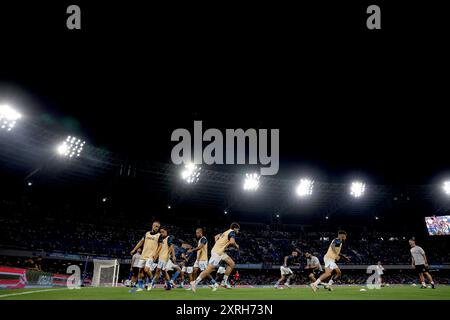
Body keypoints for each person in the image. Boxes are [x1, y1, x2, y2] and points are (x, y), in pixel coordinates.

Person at [190, 222, 240, 292]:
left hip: (220, 251)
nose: (238, 231)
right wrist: (236, 245)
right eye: (238, 230)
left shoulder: (225, 232)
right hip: (217, 252)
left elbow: (216, 236)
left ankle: (224, 282)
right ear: (235, 228)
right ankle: (194, 283)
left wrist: (218, 243)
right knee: (208, 269)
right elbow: (232, 242)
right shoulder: (232, 232)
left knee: (232, 263)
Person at [130, 221, 161, 291]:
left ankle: (150, 281)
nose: (156, 228)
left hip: (151, 256)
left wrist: (156, 254)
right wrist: (134, 249)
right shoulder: (147, 233)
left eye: (158, 227)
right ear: (152, 226)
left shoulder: (159, 235)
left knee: (146, 269)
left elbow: (160, 246)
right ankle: (140, 287)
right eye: (155, 226)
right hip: (143, 255)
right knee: (140, 270)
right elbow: (141, 242)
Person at [149, 226, 176, 290]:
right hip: (160, 257)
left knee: (158, 271)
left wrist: (173, 255)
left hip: (164, 257)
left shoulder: (169, 238)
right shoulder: (161, 239)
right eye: (160, 232)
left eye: (163, 232)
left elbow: (171, 246)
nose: (161, 233)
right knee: (163, 272)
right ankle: (169, 285)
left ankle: (151, 284)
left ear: (166, 232)